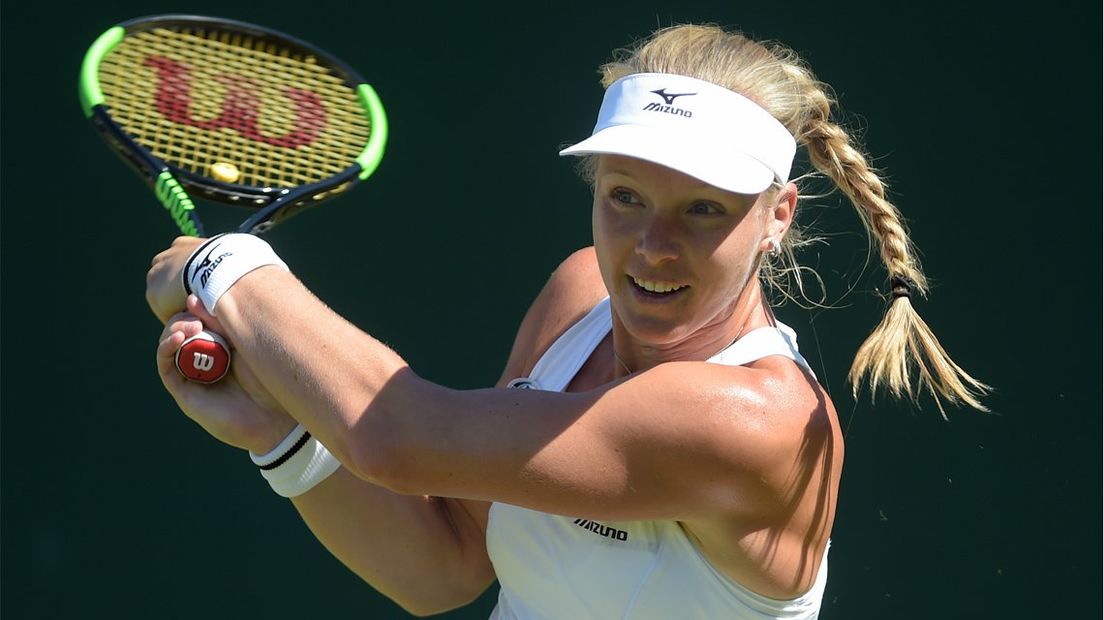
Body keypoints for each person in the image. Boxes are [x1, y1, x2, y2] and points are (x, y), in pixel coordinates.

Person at [146, 24, 986, 619]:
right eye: (625, 197)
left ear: (778, 216)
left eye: (702, 210)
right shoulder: (578, 295)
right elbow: (445, 565)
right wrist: (280, 439)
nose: (653, 248)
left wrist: (222, 268)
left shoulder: (754, 423)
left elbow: (398, 435)